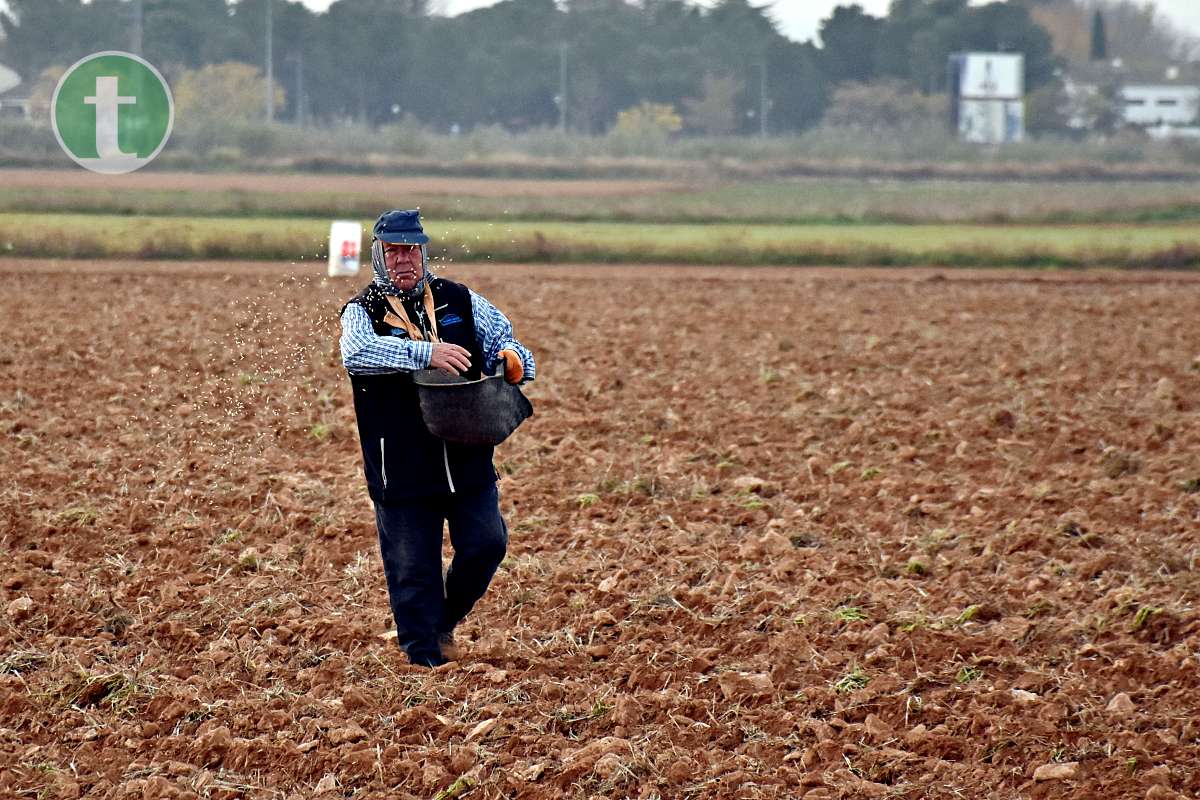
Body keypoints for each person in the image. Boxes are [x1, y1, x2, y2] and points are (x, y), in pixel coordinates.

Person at [339, 209, 535, 667]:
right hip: (400, 466)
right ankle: (423, 660)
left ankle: (443, 621)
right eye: (394, 251)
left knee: (488, 544)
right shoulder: (361, 311)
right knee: (412, 570)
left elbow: (507, 343)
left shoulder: (460, 300)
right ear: (378, 257)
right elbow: (358, 353)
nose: (404, 259)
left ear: (423, 252)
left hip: (467, 457)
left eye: (412, 249)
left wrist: (514, 358)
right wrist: (426, 352)